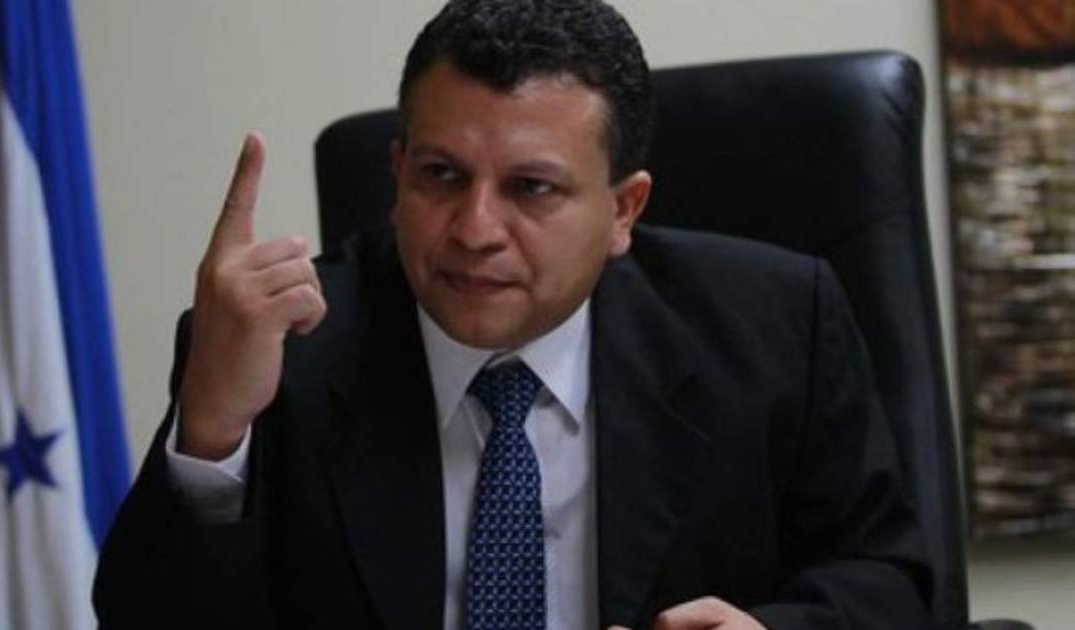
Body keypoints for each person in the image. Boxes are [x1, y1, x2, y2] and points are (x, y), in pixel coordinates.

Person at [93, 1, 933, 629]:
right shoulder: (289, 349)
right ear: (397, 171)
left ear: (624, 210)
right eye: (441, 176)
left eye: (531, 188)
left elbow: (890, 581)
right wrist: (212, 434)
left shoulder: (776, 327)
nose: (475, 230)